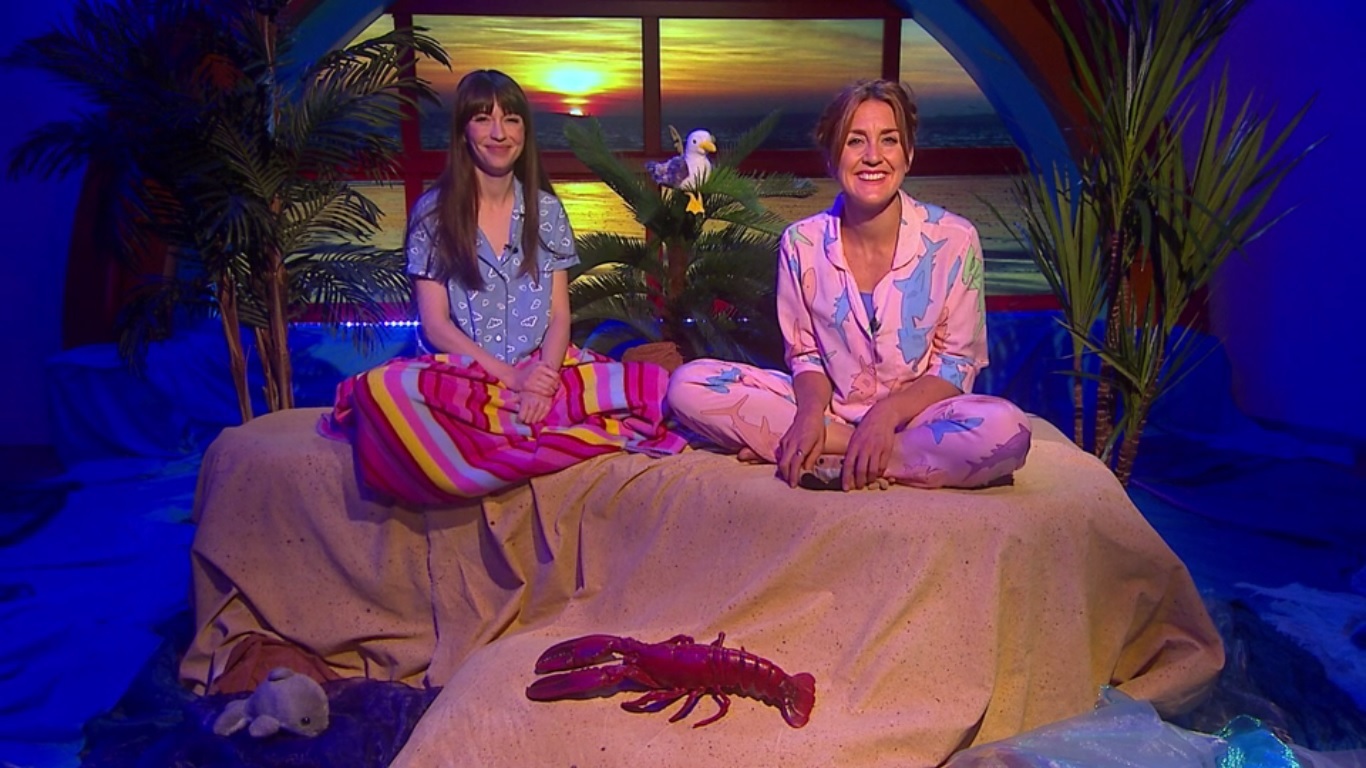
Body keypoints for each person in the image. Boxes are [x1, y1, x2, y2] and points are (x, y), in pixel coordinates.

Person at [321, 70, 685, 503]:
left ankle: (504, 430)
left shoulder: (547, 211)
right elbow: (436, 325)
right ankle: (516, 433)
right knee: (382, 391)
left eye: (511, 119)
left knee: (650, 389)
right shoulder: (432, 214)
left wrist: (542, 379)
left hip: (545, 368)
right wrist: (512, 378)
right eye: (483, 119)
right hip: (467, 375)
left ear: (524, 131)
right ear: (463, 131)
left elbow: (559, 316)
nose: (499, 133)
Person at [666, 79, 1031, 491]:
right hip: (828, 411)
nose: (873, 156)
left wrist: (884, 416)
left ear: (908, 154)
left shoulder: (955, 239)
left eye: (889, 140)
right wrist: (809, 417)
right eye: (856, 141)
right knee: (688, 386)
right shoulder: (801, 243)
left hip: (919, 420)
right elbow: (806, 357)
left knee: (1008, 429)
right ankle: (866, 450)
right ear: (831, 157)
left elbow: (955, 366)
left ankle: (850, 450)